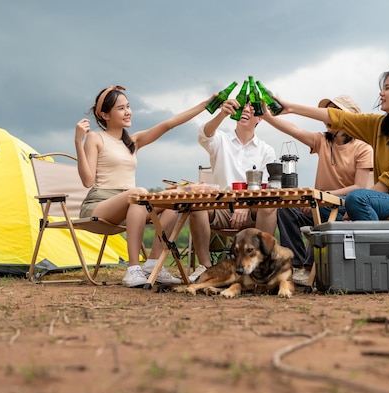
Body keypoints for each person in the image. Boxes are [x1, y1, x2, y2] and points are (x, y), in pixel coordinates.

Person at [75, 85, 212, 288]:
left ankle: (152, 264)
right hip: (101, 204)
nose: (128, 111)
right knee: (140, 193)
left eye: (128, 106)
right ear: (104, 114)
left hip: (133, 205)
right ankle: (132, 270)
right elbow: (87, 181)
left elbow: (168, 124)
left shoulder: (133, 141)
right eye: (121, 108)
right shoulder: (96, 138)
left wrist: (204, 105)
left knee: (175, 200)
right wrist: (79, 141)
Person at [276, 66, 389, 223]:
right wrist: (290, 108)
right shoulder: (380, 126)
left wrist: (355, 205)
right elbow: (339, 117)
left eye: (387, 88)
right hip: (386, 201)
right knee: (324, 205)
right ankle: (348, 244)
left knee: (356, 197)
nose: (381, 93)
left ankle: (373, 247)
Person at [261, 94, 373, 284]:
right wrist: (266, 116)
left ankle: (307, 268)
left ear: (349, 117)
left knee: (321, 210)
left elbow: (359, 187)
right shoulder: (323, 141)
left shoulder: (363, 148)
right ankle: (295, 265)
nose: (328, 117)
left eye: (334, 112)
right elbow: (293, 129)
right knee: (286, 208)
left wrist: (324, 196)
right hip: (318, 203)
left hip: (346, 208)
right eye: (326, 112)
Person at [187, 98, 277, 282]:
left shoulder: (266, 150)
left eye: (252, 108)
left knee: (269, 206)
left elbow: (265, 188)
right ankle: (205, 267)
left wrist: (244, 205)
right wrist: (222, 113)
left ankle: (260, 266)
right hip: (221, 206)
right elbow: (204, 134)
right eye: (243, 106)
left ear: (260, 118)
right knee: (196, 204)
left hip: (252, 208)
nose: (246, 110)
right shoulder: (221, 139)